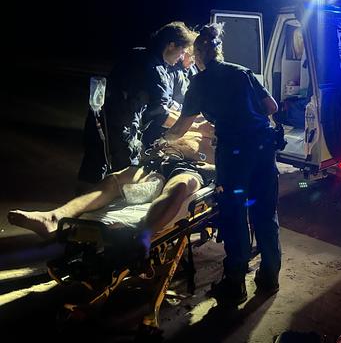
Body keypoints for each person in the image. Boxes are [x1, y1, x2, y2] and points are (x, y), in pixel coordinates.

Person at [162, 23, 281, 305]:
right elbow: (272, 107)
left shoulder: (200, 83)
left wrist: (162, 140)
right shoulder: (241, 72)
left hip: (235, 156)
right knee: (265, 213)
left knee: (235, 215)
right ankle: (269, 277)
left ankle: (234, 284)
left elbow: (180, 128)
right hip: (264, 150)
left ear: (197, 56)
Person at [8, 120, 216, 241]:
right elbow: (164, 120)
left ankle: (143, 236)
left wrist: (213, 167)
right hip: (158, 164)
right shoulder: (190, 124)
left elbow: (239, 165)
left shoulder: (228, 136)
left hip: (190, 169)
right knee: (114, 180)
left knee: (179, 187)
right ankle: (54, 218)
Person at [78, 21, 196, 184]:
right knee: (123, 177)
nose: (182, 57)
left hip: (98, 119)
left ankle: (78, 204)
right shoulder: (155, 69)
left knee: (91, 170)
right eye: (182, 51)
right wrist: (190, 125)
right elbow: (160, 112)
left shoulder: (138, 54)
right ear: (171, 45)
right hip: (119, 129)